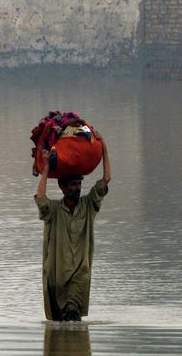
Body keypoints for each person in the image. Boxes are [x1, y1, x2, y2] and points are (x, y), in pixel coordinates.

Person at [34, 134, 112, 321]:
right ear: (62, 187)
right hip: (56, 277)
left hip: (80, 276)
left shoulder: (89, 206)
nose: (77, 188)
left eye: (79, 184)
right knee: (59, 324)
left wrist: (105, 148)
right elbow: (41, 197)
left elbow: (106, 179)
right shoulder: (53, 211)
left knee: (72, 314)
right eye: (73, 185)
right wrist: (45, 168)